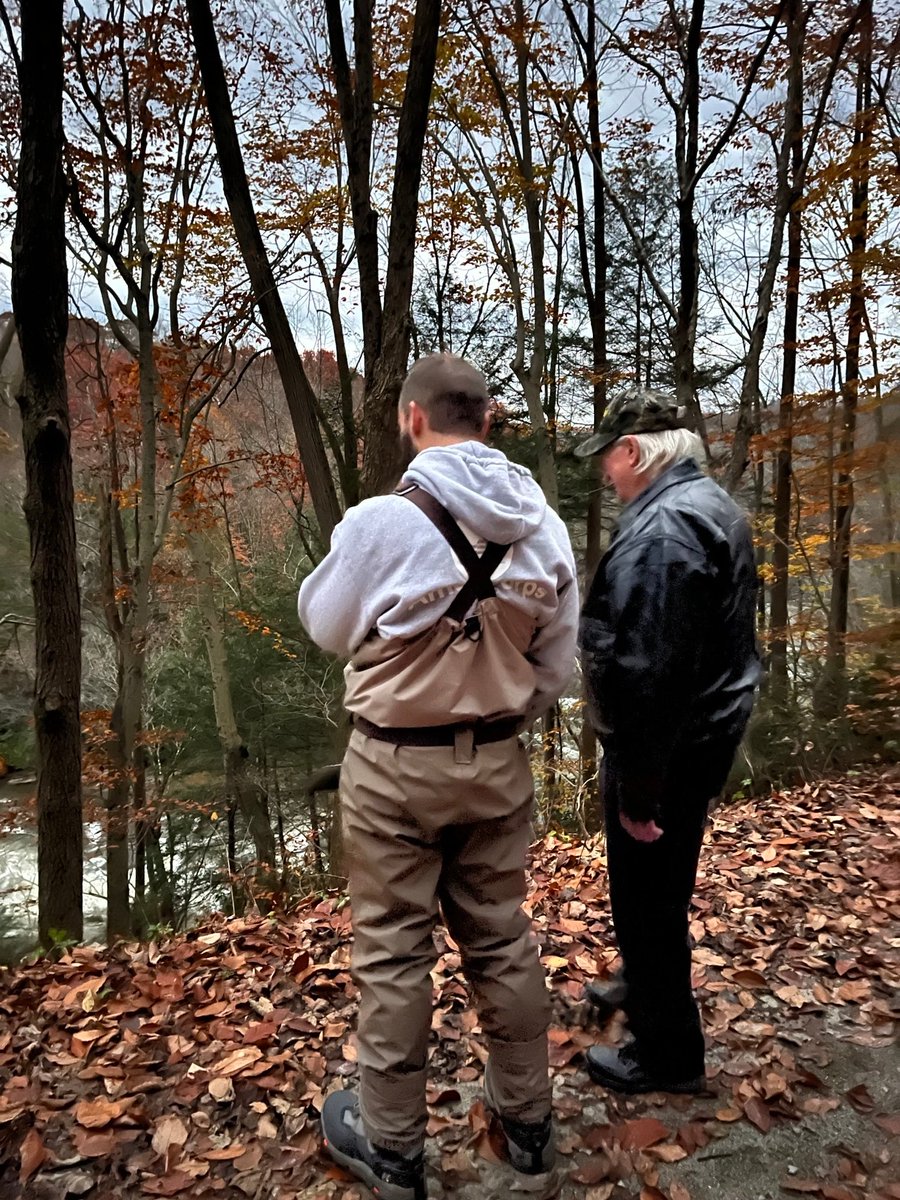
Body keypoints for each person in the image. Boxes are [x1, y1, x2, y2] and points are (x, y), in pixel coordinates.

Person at [298, 353, 578, 1200]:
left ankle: (393, 1148)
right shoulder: (545, 528)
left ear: (412, 419)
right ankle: (528, 1126)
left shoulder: (383, 521)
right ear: (487, 419)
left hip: (392, 766)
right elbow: (557, 665)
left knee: (393, 954)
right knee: (501, 935)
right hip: (497, 761)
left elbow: (325, 625)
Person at [576, 388, 761, 1095]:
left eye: (610, 459)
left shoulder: (661, 536)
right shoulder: (707, 505)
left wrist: (640, 789)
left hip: (667, 755)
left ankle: (665, 1054)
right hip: (696, 742)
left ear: (634, 453)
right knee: (662, 892)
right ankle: (644, 983)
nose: (605, 475)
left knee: (646, 898)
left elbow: (649, 674)